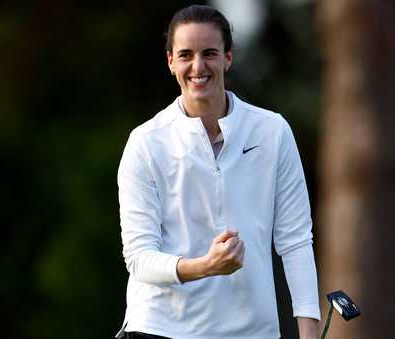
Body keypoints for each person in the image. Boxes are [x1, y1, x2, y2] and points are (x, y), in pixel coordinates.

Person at [116, 5, 320, 339]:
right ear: (170, 62)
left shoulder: (272, 131)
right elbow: (140, 259)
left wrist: (308, 331)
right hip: (161, 328)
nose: (198, 66)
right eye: (185, 55)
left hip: (252, 330)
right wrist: (207, 266)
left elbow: (295, 239)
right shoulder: (145, 143)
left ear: (228, 58)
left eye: (209, 53)